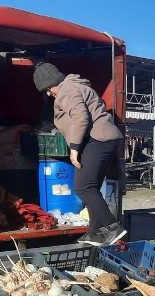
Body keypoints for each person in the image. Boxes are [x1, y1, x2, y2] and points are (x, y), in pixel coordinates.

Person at [33, 63, 126, 245]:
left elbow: (80, 117)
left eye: (47, 89)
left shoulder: (67, 90)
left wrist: (74, 148)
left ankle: (112, 227)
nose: (48, 93)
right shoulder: (75, 86)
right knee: (91, 187)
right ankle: (95, 233)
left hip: (98, 140)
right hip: (104, 139)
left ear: (52, 83)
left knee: (83, 187)